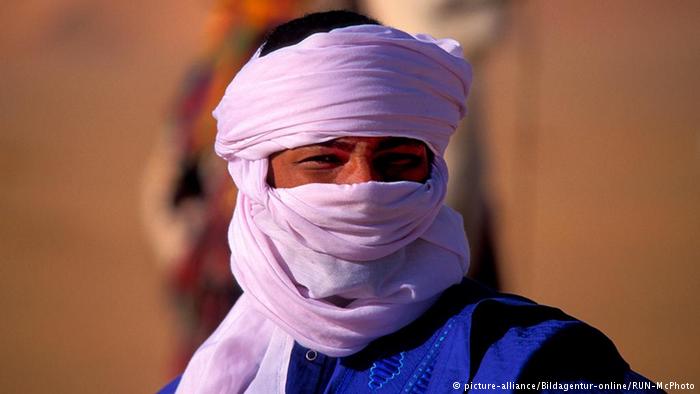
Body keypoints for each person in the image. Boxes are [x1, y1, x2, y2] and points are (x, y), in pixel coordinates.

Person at [159, 10, 660, 393]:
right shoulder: (211, 377)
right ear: (256, 178)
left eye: (397, 162)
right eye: (323, 161)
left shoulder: (531, 363)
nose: (363, 188)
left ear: (433, 169)